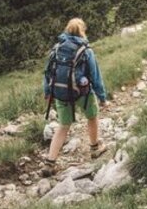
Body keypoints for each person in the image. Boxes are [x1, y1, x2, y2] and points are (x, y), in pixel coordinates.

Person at [41, 18, 108, 177]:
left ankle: (50, 163)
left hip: (60, 93)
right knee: (92, 117)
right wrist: (102, 97)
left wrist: (47, 92)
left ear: (67, 30)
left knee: (63, 126)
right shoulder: (86, 50)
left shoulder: (56, 49)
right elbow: (95, 75)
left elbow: (48, 72)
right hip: (82, 93)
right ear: (82, 31)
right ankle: (94, 148)